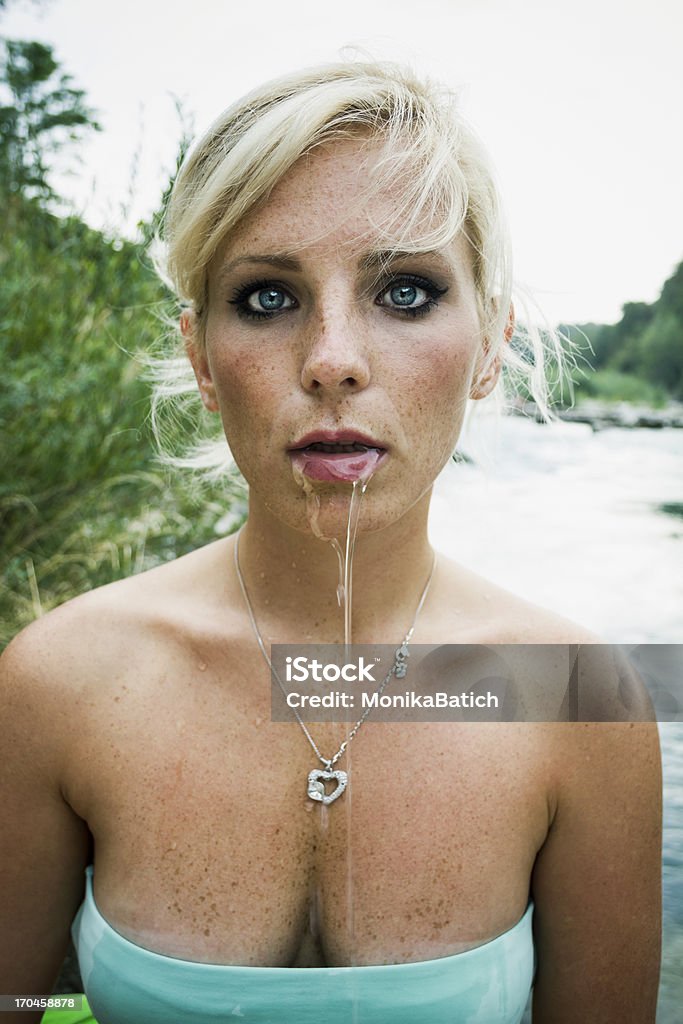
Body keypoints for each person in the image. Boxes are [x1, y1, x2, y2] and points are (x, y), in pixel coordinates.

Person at [0, 60, 661, 1023]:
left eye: (405, 292)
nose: (333, 362)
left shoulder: (578, 701)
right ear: (202, 360)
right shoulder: (58, 685)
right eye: (267, 298)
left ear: (488, 347)